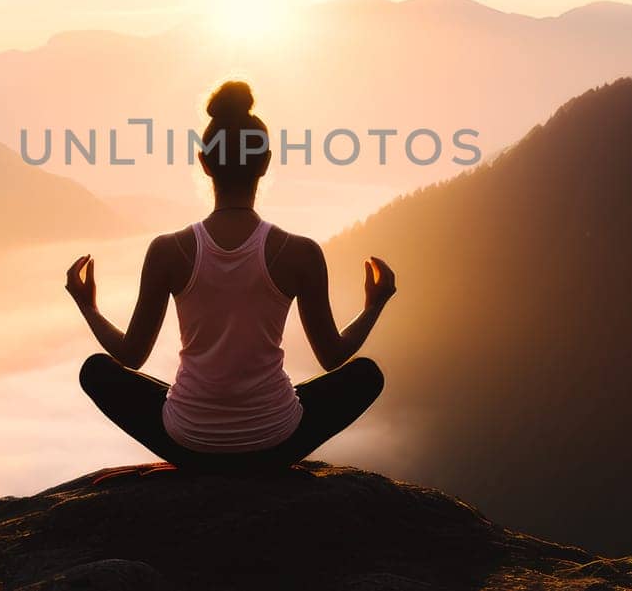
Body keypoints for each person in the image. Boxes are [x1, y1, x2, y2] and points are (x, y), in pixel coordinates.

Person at [67, 79, 396, 472]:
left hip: (188, 444)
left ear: (204, 162)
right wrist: (374, 306)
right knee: (366, 376)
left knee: (95, 371)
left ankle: (200, 444)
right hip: (275, 443)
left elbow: (130, 356)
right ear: (266, 161)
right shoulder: (301, 253)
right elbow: (333, 357)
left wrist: (87, 305)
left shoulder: (168, 250)